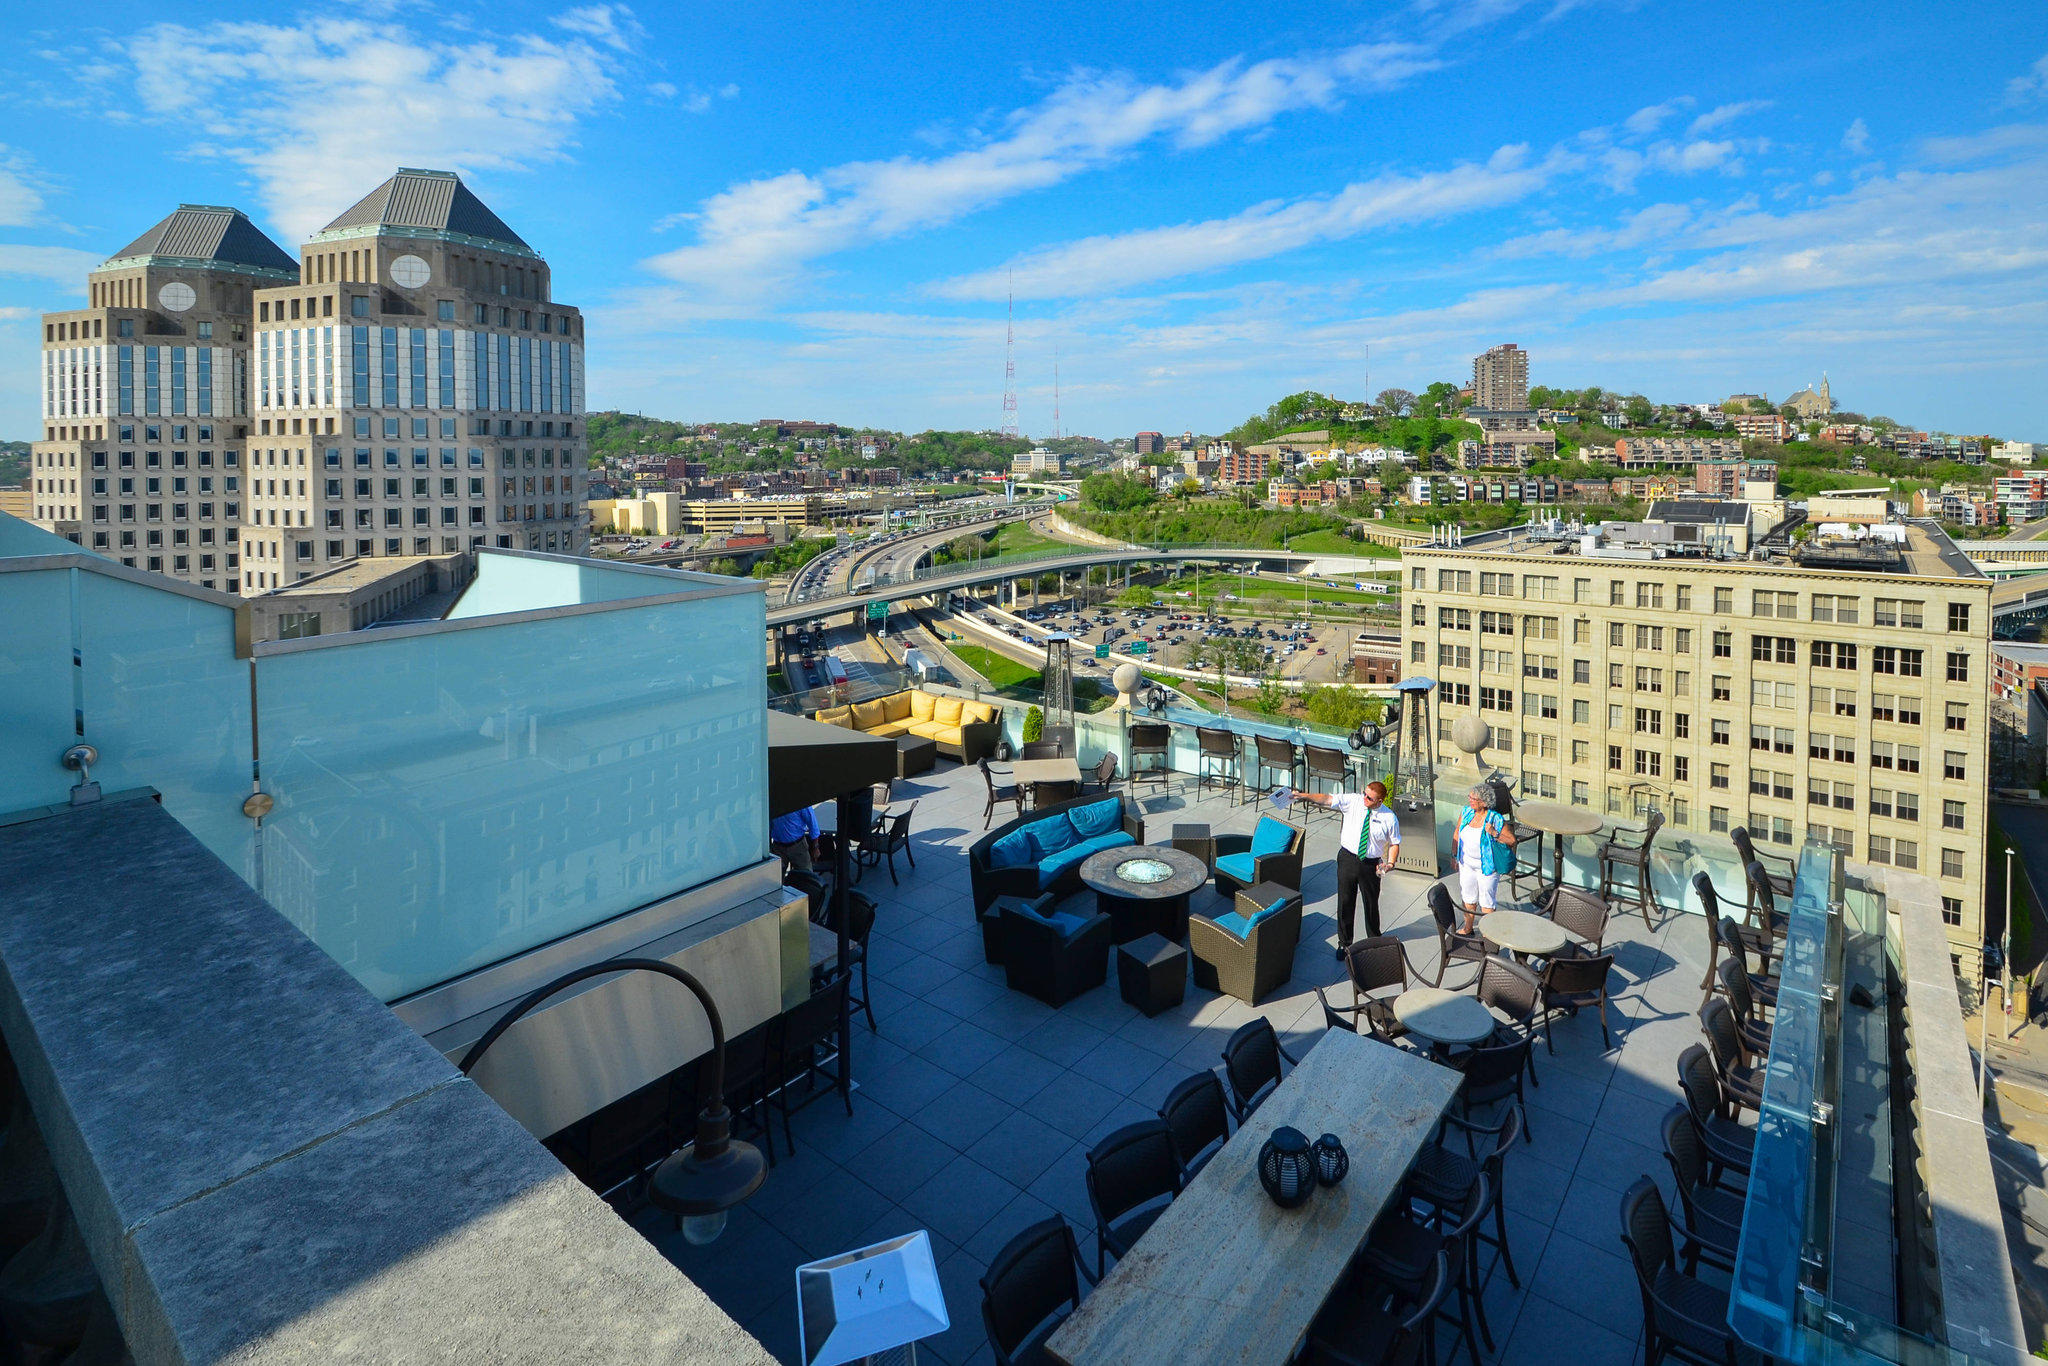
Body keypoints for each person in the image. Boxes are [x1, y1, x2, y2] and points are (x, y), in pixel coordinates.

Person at [1290, 779, 1401, 957]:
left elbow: (1395, 843)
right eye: (1365, 794)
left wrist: (1390, 863)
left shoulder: (1389, 817)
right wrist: (1305, 796)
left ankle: (1374, 940)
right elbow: (1327, 799)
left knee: (1371, 903)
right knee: (1345, 901)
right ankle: (1344, 944)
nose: (1365, 799)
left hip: (1371, 865)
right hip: (1348, 858)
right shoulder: (1354, 802)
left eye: (1369, 798)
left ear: (1379, 801)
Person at [1454, 783, 1519, 934]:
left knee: (1486, 902)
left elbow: (1511, 841)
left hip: (1487, 868)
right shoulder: (1466, 812)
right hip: (1466, 863)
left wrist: (1494, 833)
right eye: (1469, 797)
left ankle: (1488, 934)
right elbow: (1457, 832)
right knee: (1468, 897)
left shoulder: (1495, 818)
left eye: (1473, 798)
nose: (1470, 800)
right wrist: (1454, 855)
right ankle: (1468, 928)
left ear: (1483, 802)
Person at [770, 805, 820, 872]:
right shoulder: (773, 802)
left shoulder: (800, 801)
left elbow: (813, 824)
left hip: (798, 846)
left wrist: (815, 847)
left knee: (806, 877)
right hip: (778, 848)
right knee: (775, 878)